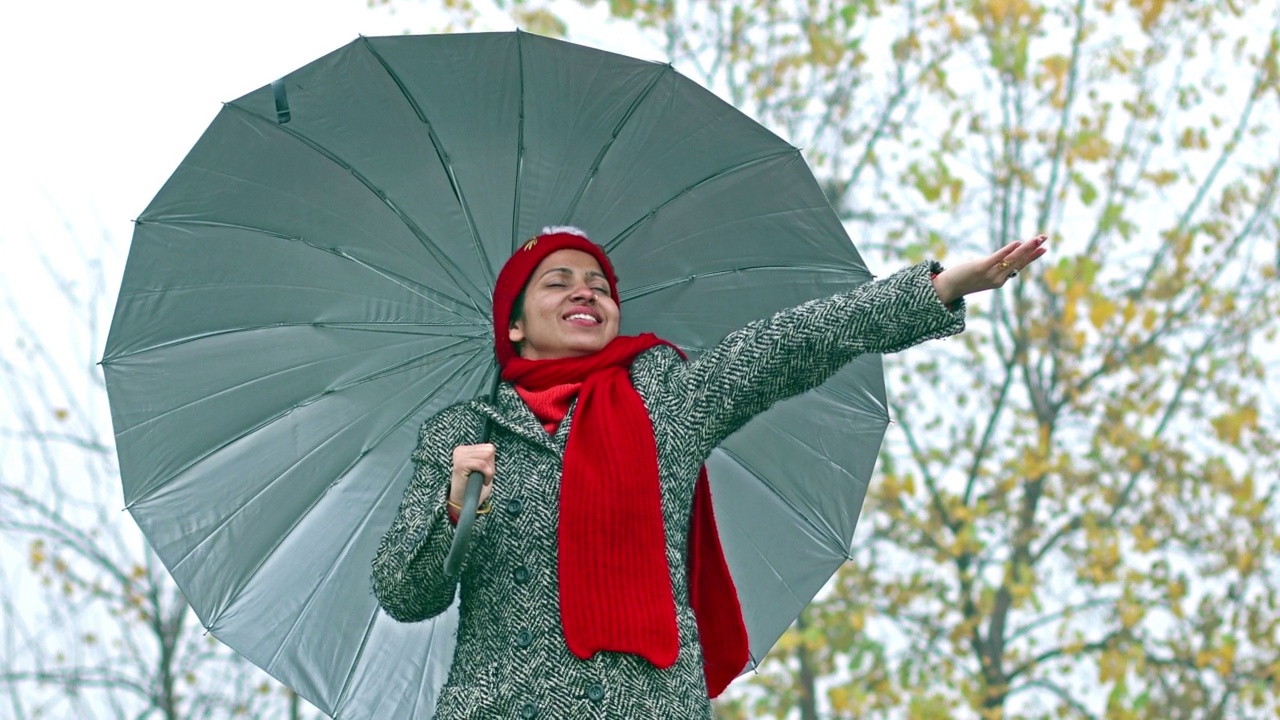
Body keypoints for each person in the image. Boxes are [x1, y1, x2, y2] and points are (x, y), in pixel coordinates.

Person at [371, 226, 1048, 718]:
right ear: (513, 325)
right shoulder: (465, 434)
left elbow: (789, 344)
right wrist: (457, 508)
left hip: (647, 706)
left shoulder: (665, 398)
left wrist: (936, 290)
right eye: (559, 282)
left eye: (599, 285)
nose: (586, 291)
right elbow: (407, 592)